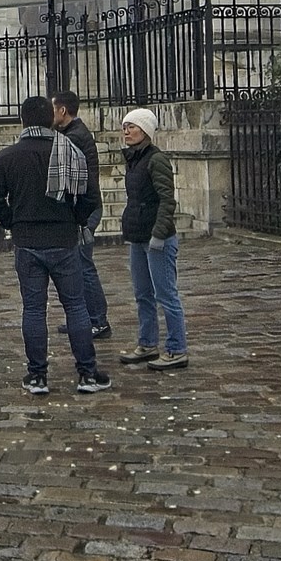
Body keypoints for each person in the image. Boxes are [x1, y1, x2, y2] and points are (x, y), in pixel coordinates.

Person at [0, 93, 106, 396]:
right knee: (75, 306)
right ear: (51, 118)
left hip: (27, 240)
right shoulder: (70, 150)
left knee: (34, 310)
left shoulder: (8, 157)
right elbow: (91, 197)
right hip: (64, 239)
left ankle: (37, 375)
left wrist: (13, 221)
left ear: (22, 120)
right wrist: (75, 218)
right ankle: (87, 373)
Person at [114, 110, 190, 369]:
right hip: (138, 235)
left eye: (131, 127)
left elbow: (167, 200)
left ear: (145, 130)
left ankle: (177, 348)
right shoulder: (134, 159)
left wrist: (159, 234)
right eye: (124, 127)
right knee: (142, 294)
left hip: (157, 238)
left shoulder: (156, 160)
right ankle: (147, 343)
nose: (126, 132)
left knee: (166, 294)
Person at [51, 91, 114, 341]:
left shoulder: (74, 137)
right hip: (85, 206)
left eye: (53, 109)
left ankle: (98, 320)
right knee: (77, 265)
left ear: (62, 111)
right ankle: (83, 319)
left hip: (85, 208)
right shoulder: (73, 133)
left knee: (84, 265)